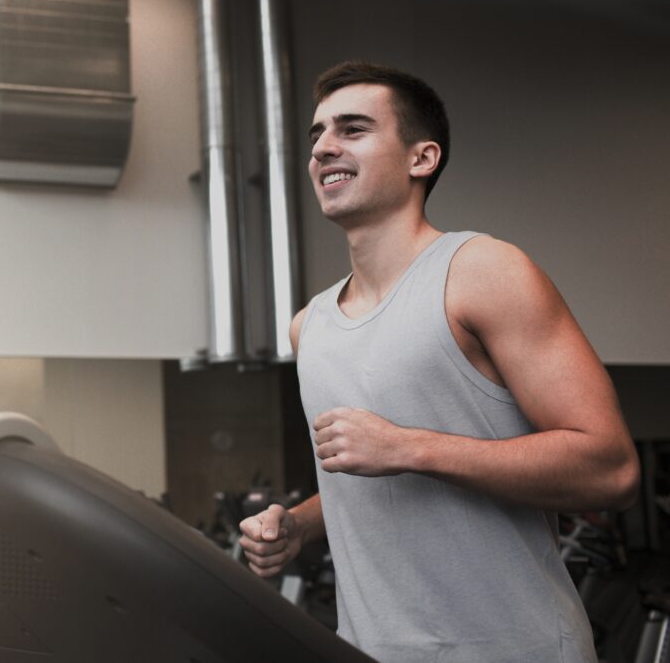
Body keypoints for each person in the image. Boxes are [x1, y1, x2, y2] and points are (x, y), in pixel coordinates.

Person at [238, 61, 639, 662]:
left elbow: (610, 470)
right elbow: (371, 485)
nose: (323, 148)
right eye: (317, 134)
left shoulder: (481, 271)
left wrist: (409, 447)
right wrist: (299, 525)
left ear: (421, 158)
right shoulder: (310, 326)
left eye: (352, 129)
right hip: (370, 649)